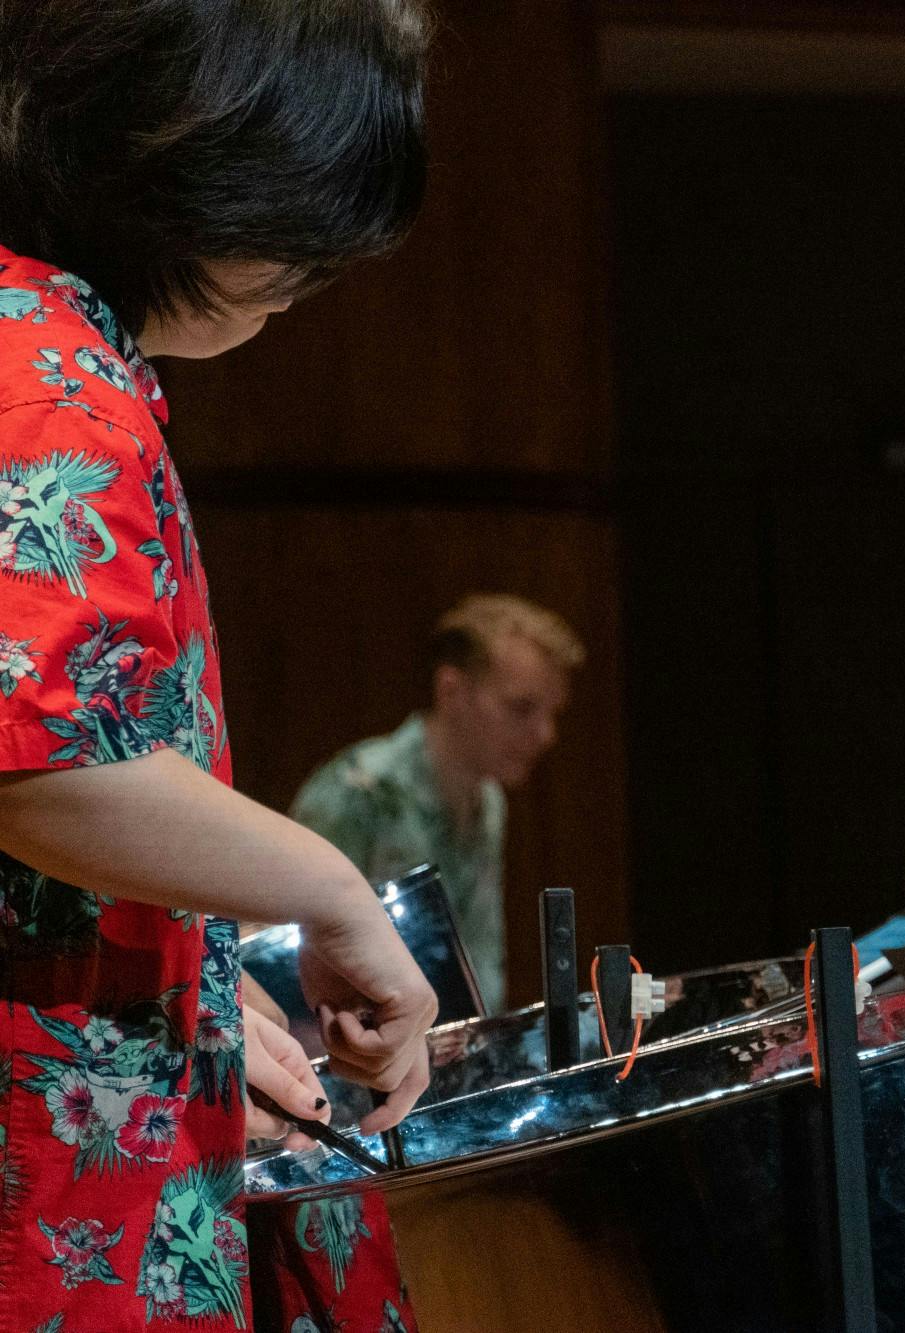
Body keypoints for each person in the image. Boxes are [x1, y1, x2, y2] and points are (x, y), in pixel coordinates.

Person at [0, 3, 436, 1329]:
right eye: (300, 230)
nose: (311, 275)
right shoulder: (43, 377)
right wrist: (333, 894)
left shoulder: (52, 346)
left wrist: (196, 965)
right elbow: (39, 760)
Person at [292, 594, 582, 1010]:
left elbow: (480, 965)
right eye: (522, 708)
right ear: (451, 691)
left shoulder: (489, 797)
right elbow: (290, 961)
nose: (545, 734)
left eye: (552, 712)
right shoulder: (359, 792)